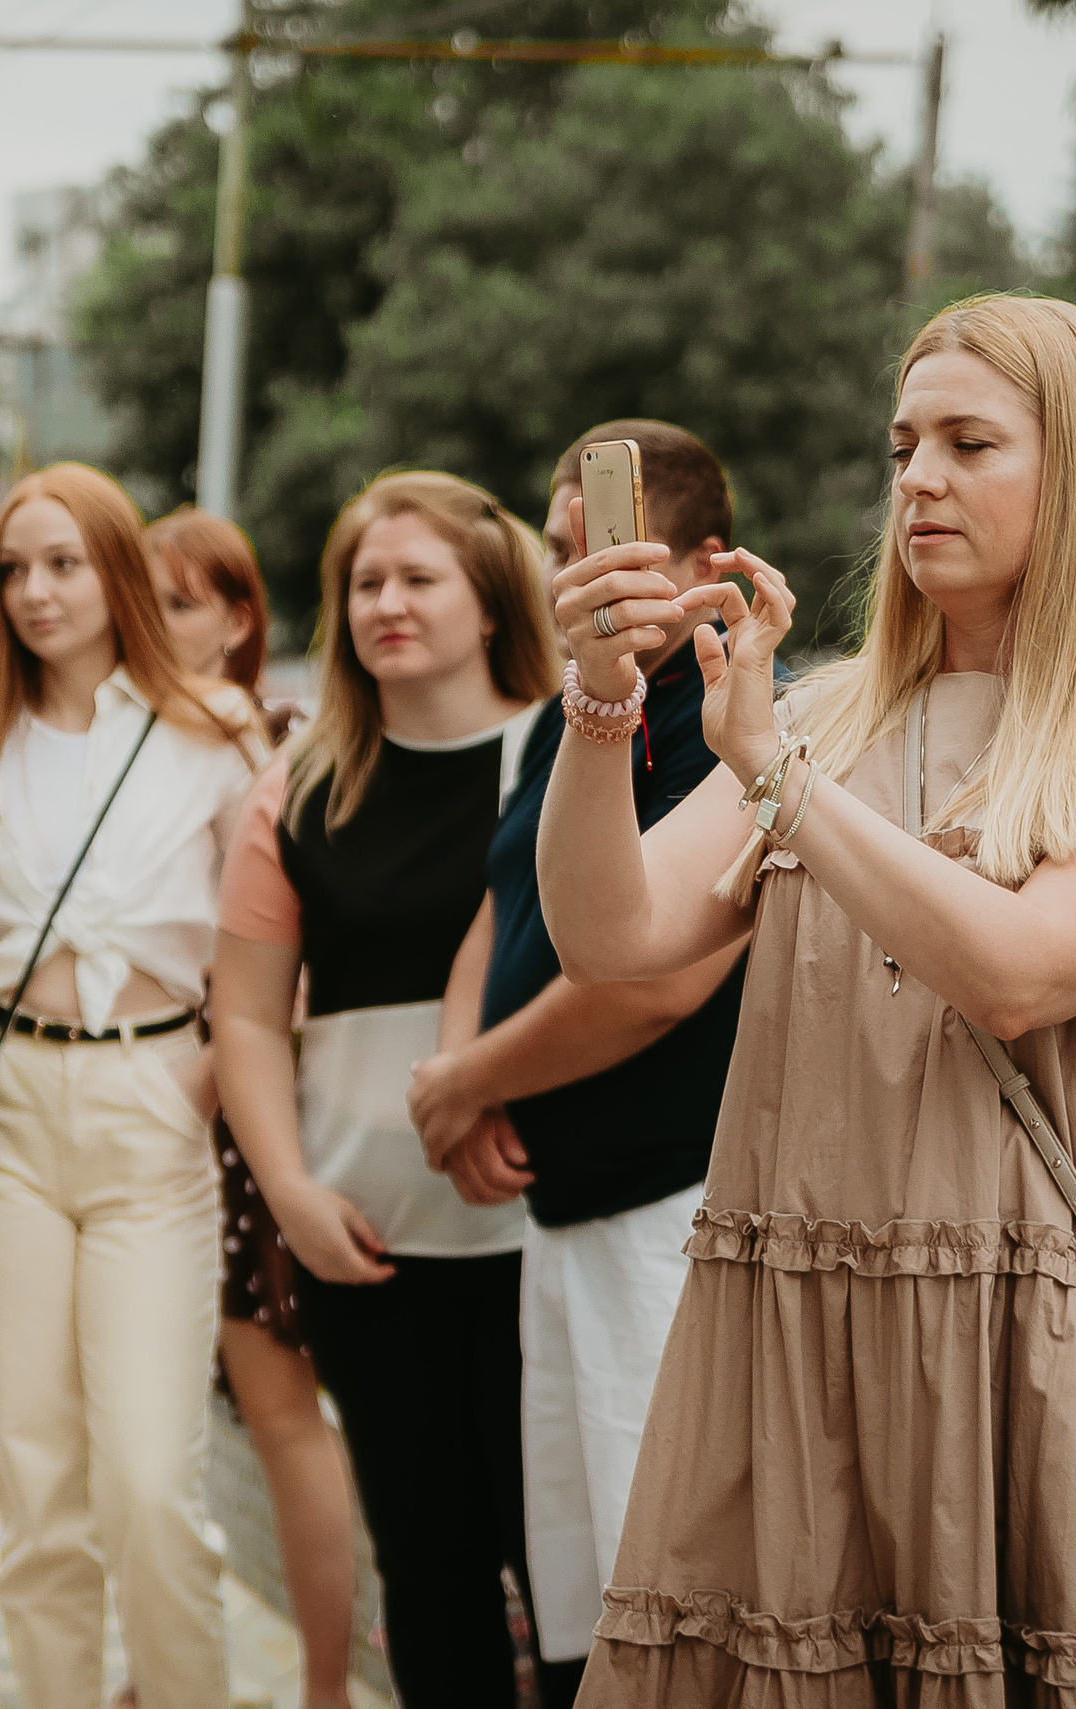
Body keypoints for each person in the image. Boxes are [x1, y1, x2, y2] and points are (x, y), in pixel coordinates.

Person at [538, 294, 1076, 1706]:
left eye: (970, 443)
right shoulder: (826, 715)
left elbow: (1019, 971)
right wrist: (600, 698)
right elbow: (610, 933)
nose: (918, 478)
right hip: (802, 1337)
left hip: (1035, 1348)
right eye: (903, 443)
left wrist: (776, 780)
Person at [0, 464, 263, 1709]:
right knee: (36, 1492)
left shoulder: (214, 732)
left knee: (151, 1486)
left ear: (117, 572)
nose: (37, 591)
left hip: (155, 1104)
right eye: (12, 567)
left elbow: (268, 959)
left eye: (64, 562)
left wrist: (209, 1082)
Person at [211, 470, 574, 1709]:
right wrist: (291, 1195)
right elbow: (249, 1018)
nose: (387, 603)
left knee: (567, 1563)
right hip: (367, 1240)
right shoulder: (300, 785)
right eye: (365, 582)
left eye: (420, 578)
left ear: (490, 603)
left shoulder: (565, 749)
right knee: (427, 1569)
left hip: (544, 1226)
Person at [402, 421, 748, 1696]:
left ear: (702, 561)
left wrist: (471, 1080)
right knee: (569, 1596)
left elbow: (655, 982)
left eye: (602, 545)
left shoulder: (718, 713)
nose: (572, 582)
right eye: (556, 551)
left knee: (653, 1582)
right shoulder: (577, 710)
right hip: (558, 1205)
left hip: (658, 1206)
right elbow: (501, 903)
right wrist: (460, 1080)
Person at [142, 508, 359, 1709]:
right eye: (145, 599)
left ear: (236, 620)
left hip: (232, 1125)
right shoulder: (138, 738)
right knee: (156, 1418)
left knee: (278, 1410)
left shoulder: (252, 747)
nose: (151, 626)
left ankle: (325, 1682)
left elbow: (285, 972)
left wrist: (207, 1083)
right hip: (170, 1116)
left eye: (178, 602)